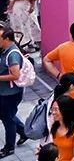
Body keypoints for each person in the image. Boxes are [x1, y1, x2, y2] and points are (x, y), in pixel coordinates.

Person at [0, 27, 27, 156]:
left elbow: (15, 75)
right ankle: (24, 132)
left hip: (11, 93)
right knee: (7, 115)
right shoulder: (4, 50)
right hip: (4, 92)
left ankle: (9, 147)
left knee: (8, 119)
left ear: (6, 39)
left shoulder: (13, 54)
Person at [49, 95, 74, 161]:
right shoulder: (55, 127)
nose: (53, 112)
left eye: (56, 109)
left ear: (65, 110)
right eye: (52, 109)